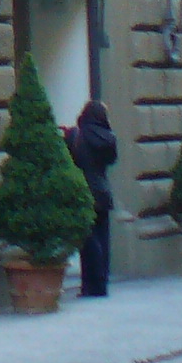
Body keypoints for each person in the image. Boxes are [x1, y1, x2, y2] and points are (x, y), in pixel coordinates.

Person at [66, 99, 117, 298]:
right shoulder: (109, 137)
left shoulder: (77, 135)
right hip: (103, 191)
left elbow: (72, 159)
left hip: (84, 191)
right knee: (103, 238)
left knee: (88, 240)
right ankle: (102, 283)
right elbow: (111, 161)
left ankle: (90, 284)